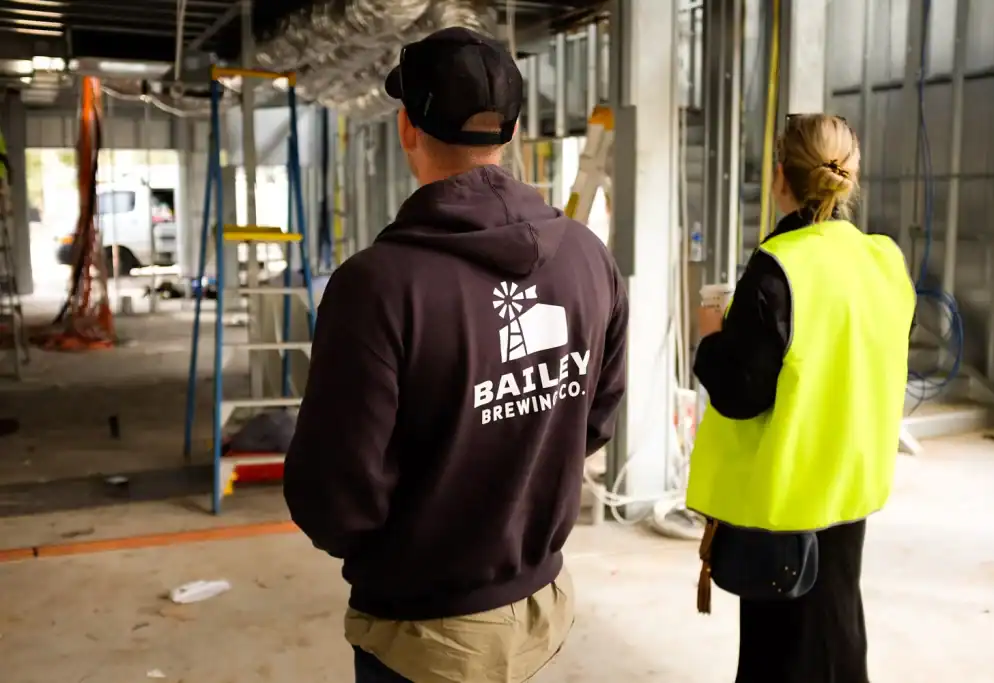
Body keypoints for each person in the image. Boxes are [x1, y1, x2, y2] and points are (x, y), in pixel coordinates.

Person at [283, 27, 629, 683]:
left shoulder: (378, 285)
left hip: (423, 629)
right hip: (538, 605)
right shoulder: (588, 259)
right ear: (512, 131)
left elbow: (334, 494)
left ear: (407, 126)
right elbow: (594, 419)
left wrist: (397, 550)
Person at [685, 113, 915, 683]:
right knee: (837, 621)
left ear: (781, 177)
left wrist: (712, 334)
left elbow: (741, 393)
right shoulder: (883, 260)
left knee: (782, 648)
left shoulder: (777, 267)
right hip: (851, 482)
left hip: (787, 496)